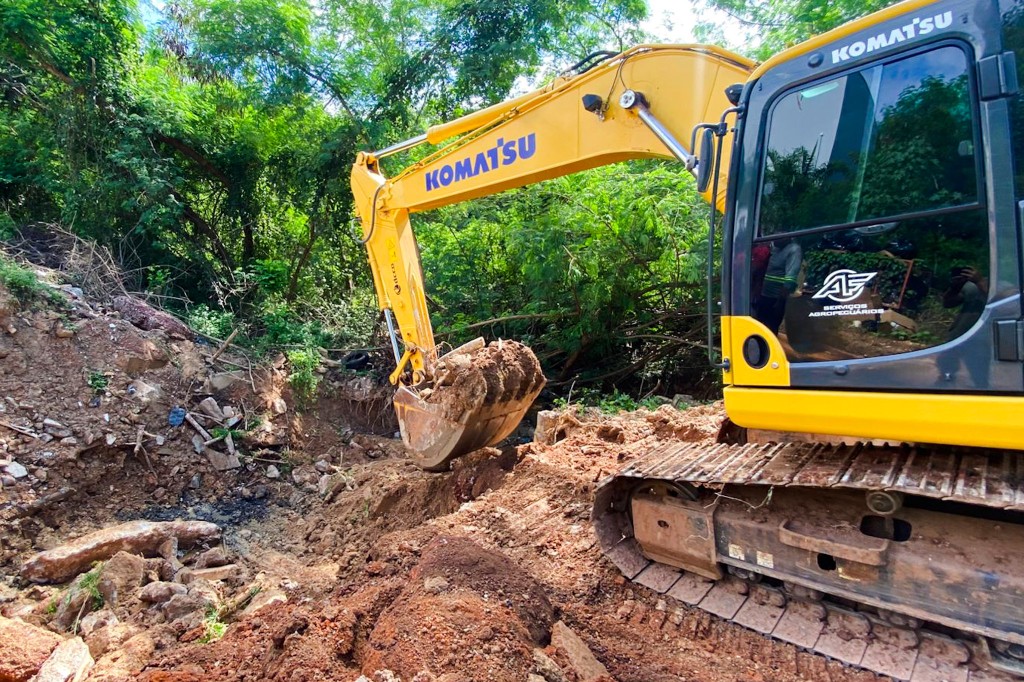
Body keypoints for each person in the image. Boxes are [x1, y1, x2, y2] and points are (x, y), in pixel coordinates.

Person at [754, 238, 802, 335]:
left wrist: (780, 302)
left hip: (776, 297)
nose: (775, 239)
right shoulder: (775, 248)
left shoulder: (794, 250)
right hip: (763, 294)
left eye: (779, 235)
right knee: (759, 326)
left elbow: (790, 280)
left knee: (771, 328)